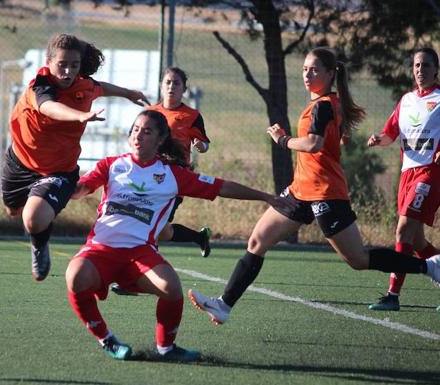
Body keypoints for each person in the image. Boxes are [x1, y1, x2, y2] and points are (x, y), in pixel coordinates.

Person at [187, 47, 440, 325]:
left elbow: (313, 143)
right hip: (300, 190)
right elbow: (331, 139)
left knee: (357, 259)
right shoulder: (326, 103)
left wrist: (282, 140)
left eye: (315, 69)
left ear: (331, 74)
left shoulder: (323, 105)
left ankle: (427, 266)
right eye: (305, 68)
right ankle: (224, 304)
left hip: (325, 192)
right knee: (257, 241)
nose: (308, 74)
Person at [65, 110, 297, 361]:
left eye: (147, 131)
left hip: (139, 253)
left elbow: (221, 186)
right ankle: (107, 340)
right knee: (74, 275)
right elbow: (80, 189)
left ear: (160, 139)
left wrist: (265, 196)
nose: (138, 136)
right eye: (135, 130)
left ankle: (166, 348)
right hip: (101, 248)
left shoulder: (172, 175)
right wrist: (60, 183)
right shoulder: (111, 165)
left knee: (171, 287)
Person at [2, 33, 149, 282]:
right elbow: (49, 107)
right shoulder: (40, 86)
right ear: (48, 62)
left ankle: (39, 246)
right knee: (13, 209)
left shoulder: (84, 86)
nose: (68, 71)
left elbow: (100, 88)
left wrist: (127, 93)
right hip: (19, 163)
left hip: (59, 170)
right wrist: (79, 116)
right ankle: (39, 228)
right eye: (62, 64)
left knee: (33, 220)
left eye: (74, 65)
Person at [367, 47, 440, 311]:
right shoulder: (407, 100)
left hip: (429, 171)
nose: (421, 70)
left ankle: (392, 295)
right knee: (417, 240)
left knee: (402, 230)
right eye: (417, 65)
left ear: (436, 70)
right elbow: (390, 133)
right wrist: (379, 140)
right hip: (407, 172)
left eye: (427, 65)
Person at [149, 67, 212, 257]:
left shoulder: (191, 116)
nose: (171, 86)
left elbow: (204, 143)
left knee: (154, 224)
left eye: (176, 83)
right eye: (167, 82)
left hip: (176, 177)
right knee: (158, 228)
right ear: (161, 86)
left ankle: (142, 272)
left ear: (184, 89)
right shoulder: (151, 113)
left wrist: (201, 146)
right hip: (149, 176)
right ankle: (199, 238)